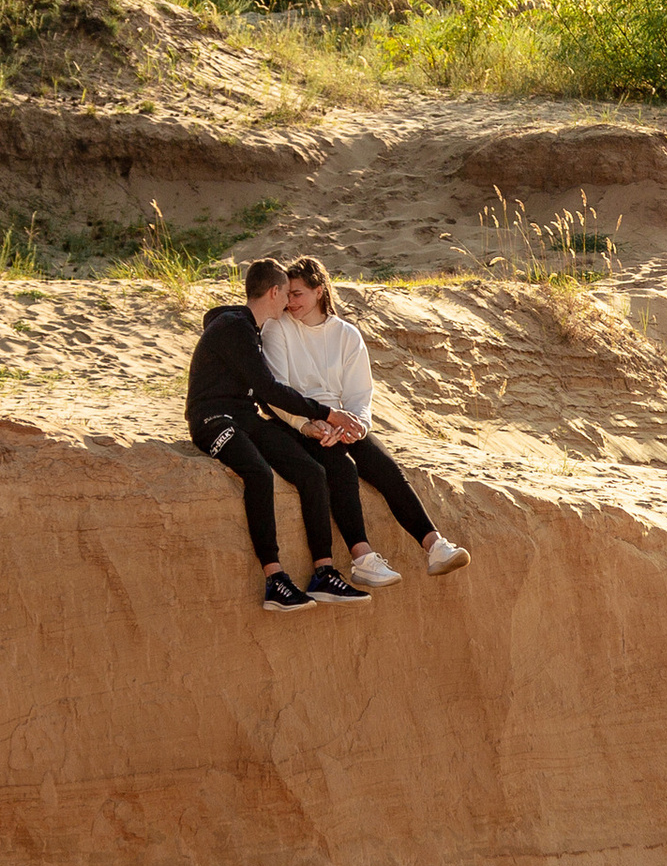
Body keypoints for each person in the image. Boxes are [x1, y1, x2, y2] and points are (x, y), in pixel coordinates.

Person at [262, 256, 470, 583]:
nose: (290, 302)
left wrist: (357, 425)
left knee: (383, 465)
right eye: (287, 294)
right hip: (299, 422)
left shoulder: (346, 335)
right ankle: (363, 559)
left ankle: (435, 546)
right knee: (341, 466)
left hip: (340, 420)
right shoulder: (278, 328)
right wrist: (312, 423)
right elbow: (277, 389)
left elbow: (360, 394)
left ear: (319, 291)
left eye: (298, 294)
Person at [186, 259, 376, 613]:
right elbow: (269, 389)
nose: (289, 302)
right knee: (258, 473)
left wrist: (307, 426)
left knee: (312, 471)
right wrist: (326, 413)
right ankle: (275, 579)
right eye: (286, 294)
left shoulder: (247, 327)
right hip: (212, 419)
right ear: (273, 292)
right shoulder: (235, 327)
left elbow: (260, 393)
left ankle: (323, 572)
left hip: (244, 416)